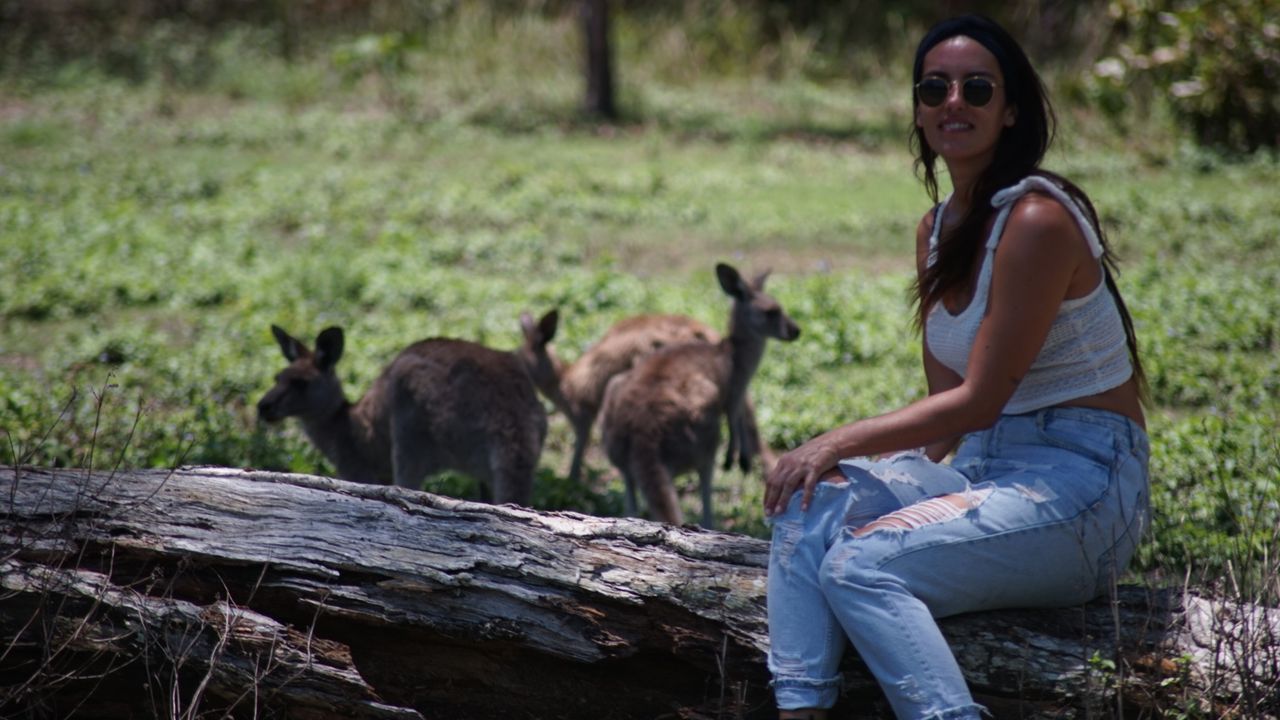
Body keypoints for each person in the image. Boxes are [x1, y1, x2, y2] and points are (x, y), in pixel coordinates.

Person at [762, 14, 1150, 720]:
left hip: (1085, 486)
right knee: (809, 501)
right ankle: (799, 707)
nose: (953, 103)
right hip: (983, 472)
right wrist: (863, 484)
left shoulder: (1036, 221)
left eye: (977, 89)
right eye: (934, 87)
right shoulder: (937, 228)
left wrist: (835, 442)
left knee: (862, 566)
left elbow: (975, 403)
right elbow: (945, 420)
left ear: (1011, 112)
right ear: (917, 108)